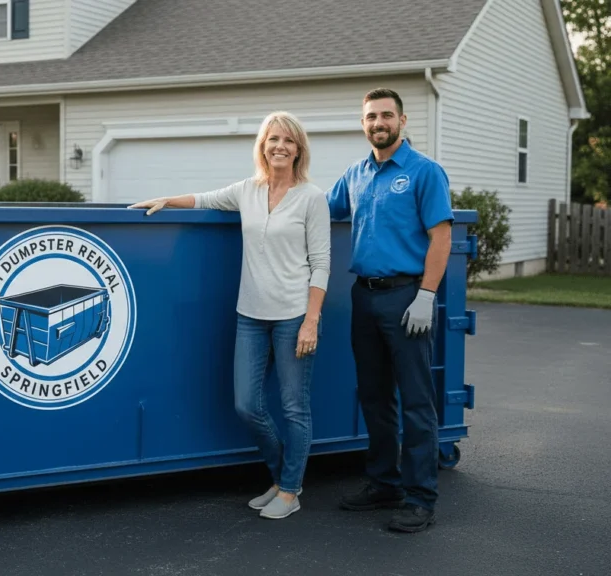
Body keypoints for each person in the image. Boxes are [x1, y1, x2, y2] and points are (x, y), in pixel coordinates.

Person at [129, 111, 331, 520]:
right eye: (272, 139)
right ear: (262, 146)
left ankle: (291, 491)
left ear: (298, 149)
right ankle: (280, 478)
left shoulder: (312, 197)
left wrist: (312, 319)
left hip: (295, 315)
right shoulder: (248, 191)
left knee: (295, 407)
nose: (279, 146)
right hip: (251, 316)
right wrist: (167, 200)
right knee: (246, 405)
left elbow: (321, 263)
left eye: (288, 140)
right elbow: (203, 199)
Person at [325, 88, 454, 533]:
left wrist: (426, 295)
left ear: (401, 120)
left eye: (385, 115)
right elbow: (320, 209)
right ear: (363, 124)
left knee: (417, 401)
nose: (377, 123)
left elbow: (441, 237)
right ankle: (385, 483)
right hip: (364, 295)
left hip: (406, 297)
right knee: (375, 396)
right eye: (369, 117)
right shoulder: (355, 174)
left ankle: (421, 498)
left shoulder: (424, 172)